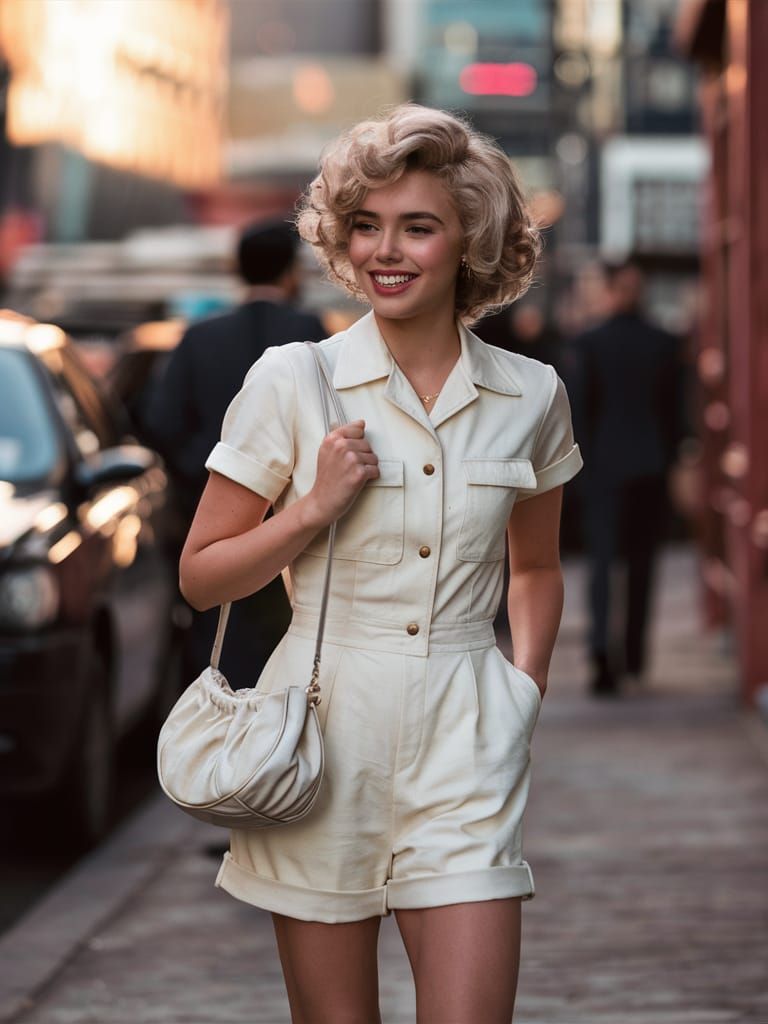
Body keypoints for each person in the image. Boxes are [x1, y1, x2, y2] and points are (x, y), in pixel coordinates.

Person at [179, 105, 582, 1023]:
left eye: (417, 225)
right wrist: (312, 510)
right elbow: (201, 575)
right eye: (365, 225)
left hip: (467, 738)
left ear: (469, 241)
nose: (384, 251)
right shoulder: (292, 380)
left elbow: (539, 567)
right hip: (321, 741)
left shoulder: (531, 394)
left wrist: (525, 687)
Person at [146, 219, 326, 687]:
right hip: (296, 521)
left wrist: (202, 477)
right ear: (290, 272)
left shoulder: (200, 336)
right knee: (291, 642)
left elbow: (161, 422)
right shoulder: (309, 332)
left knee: (216, 643)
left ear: (237, 270)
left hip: (208, 521)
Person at [570, 259, 684, 696]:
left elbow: (581, 412)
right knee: (642, 566)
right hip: (652, 466)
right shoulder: (665, 342)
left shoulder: (587, 343)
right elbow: (675, 414)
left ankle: (602, 652)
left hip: (602, 468)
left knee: (601, 565)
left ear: (609, 289)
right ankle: (634, 657)